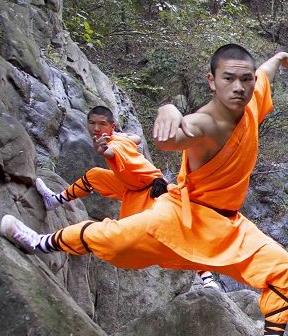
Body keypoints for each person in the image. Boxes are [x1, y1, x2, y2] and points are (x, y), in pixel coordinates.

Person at [1, 44, 288, 336]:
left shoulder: (250, 99)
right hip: (181, 215)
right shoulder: (206, 123)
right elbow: (172, 138)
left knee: (283, 268)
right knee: (114, 239)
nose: (239, 87)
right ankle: (38, 243)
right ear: (212, 81)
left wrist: (278, 59)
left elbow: (264, 75)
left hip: (229, 225)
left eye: (245, 80)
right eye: (229, 79)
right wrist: (168, 111)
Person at [36, 106, 220, 290]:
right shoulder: (120, 138)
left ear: (111, 125)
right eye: (92, 123)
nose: (96, 128)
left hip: (152, 192)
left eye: (102, 124)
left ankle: (207, 277)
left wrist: (105, 150)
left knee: (169, 234)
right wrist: (127, 137)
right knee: (95, 176)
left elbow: (114, 151)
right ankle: (56, 200)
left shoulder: (115, 143)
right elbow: (136, 139)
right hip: (131, 186)